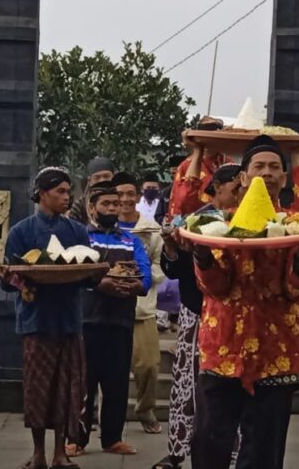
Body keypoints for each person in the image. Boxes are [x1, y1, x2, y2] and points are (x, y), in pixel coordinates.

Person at [190, 134, 299, 469]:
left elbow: (296, 290)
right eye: (259, 166)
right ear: (243, 177)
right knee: (209, 443)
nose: (267, 172)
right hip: (223, 349)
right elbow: (215, 288)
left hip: (277, 352)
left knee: (264, 450)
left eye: (275, 167)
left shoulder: (297, 226)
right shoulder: (217, 225)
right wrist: (202, 255)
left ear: (284, 177)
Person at [151, 162, 241, 469]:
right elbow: (174, 270)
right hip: (197, 311)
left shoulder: (252, 222)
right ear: (217, 187)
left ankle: (233, 454)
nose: (241, 192)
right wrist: (170, 247)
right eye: (236, 187)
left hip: (239, 317)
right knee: (190, 384)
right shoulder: (194, 221)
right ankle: (178, 451)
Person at [2, 167, 90, 469]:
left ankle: (60, 452)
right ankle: (38, 451)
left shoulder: (78, 232)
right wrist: (19, 279)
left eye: (69, 192)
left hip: (68, 319)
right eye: (60, 192)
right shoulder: (21, 232)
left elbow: (87, 273)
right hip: (36, 320)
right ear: (42, 193)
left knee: (68, 389)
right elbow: (8, 279)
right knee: (37, 389)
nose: (67, 197)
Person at [68, 181, 152, 457]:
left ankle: (112, 438)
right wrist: (98, 284)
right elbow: (74, 272)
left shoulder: (130, 240)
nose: (113, 208)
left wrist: (136, 285)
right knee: (83, 383)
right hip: (88, 320)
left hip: (121, 320)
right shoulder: (81, 238)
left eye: (115, 204)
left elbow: (145, 273)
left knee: (116, 382)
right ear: (92, 207)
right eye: (106, 204)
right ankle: (76, 439)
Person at [113, 172, 166, 435]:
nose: (124, 199)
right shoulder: (103, 226)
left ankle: (145, 409)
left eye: (129, 194)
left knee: (148, 365)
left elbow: (160, 263)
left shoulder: (151, 229)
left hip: (141, 307)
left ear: (138, 196)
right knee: (104, 366)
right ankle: (96, 416)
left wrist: (142, 275)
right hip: (108, 306)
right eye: (119, 194)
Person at [168, 117, 229, 218]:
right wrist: (197, 151)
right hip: (193, 222)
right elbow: (181, 201)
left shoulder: (228, 163)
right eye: (205, 137)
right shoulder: (186, 165)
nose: (209, 142)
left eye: (213, 137)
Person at [69, 156, 115, 224]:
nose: (102, 181)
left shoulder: (122, 201)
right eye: (97, 178)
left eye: (106, 176)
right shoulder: (80, 206)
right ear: (90, 181)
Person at [153, 155, 186, 224]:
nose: (172, 176)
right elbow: (158, 215)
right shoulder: (166, 192)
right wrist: (164, 220)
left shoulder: (192, 191)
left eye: (175, 173)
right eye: (171, 173)